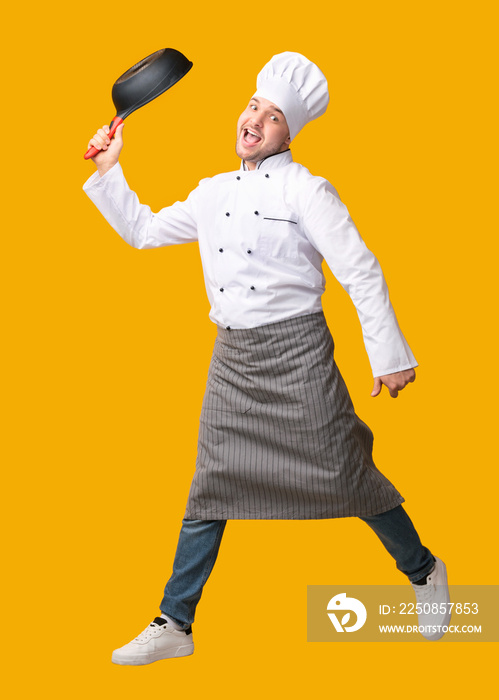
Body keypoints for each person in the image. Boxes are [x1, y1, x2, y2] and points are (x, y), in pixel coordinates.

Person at [83, 52, 450, 662]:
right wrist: (110, 170)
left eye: (273, 116)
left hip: (298, 353)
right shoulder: (211, 192)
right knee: (211, 483)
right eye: (254, 106)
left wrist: (388, 354)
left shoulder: (307, 189)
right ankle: (174, 622)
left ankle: (424, 572)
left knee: (346, 473)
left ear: (288, 132)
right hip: (234, 359)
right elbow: (143, 231)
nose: (255, 120)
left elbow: (359, 270)